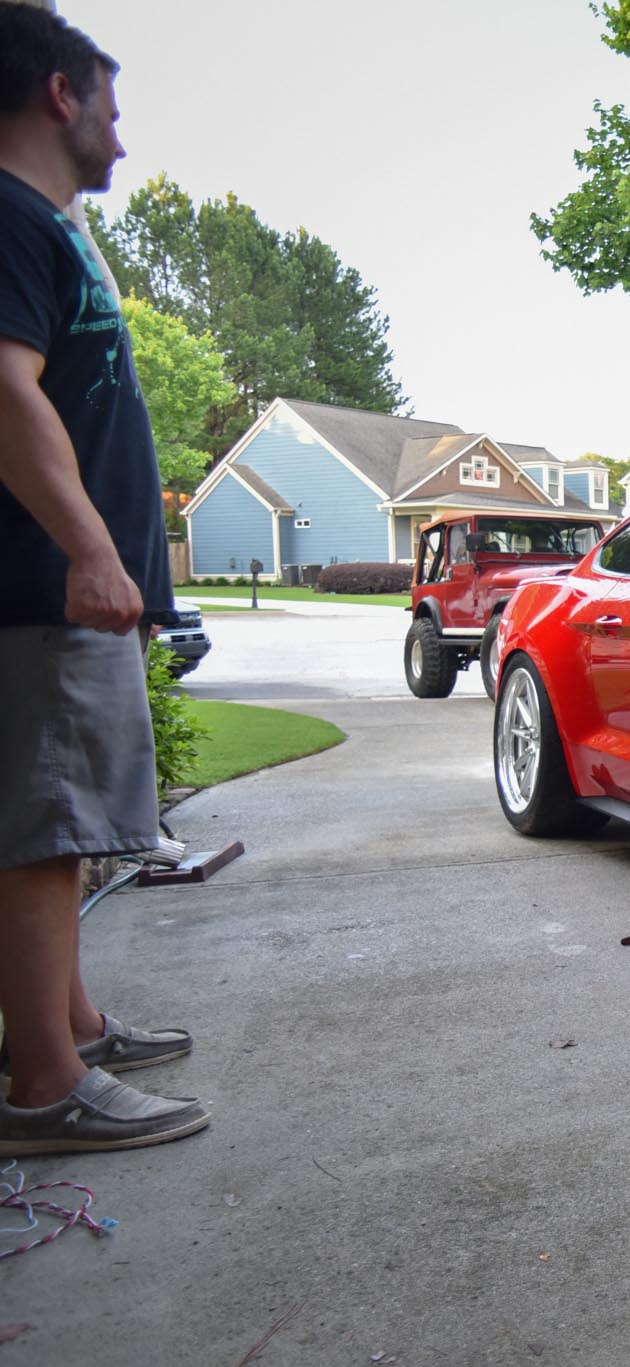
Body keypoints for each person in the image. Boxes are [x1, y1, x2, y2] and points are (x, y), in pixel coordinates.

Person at [0, 7, 209, 1154]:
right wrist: (89, 548)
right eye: (112, 112)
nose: (122, 144)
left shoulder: (45, 223)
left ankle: (68, 1026)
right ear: (58, 97)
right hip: (38, 583)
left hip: (59, 587)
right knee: (43, 825)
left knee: (61, 824)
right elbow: (6, 394)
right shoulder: (10, 219)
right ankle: (44, 1085)